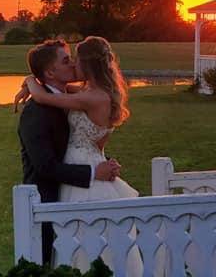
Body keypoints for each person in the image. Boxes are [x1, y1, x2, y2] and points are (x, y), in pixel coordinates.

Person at [20, 36, 142, 275]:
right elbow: (45, 165)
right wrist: (32, 82)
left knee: (90, 243)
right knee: (80, 241)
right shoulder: (87, 94)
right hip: (78, 174)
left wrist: (29, 81)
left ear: (88, 65)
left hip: (86, 174)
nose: (73, 64)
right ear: (50, 72)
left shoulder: (88, 97)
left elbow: (47, 96)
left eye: (74, 59)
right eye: (67, 60)